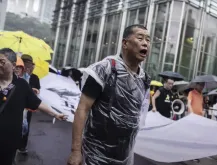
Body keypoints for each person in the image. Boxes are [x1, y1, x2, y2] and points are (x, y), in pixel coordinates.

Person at [67, 24, 151, 165]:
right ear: (125, 43)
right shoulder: (104, 70)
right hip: (95, 154)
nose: (145, 43)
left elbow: (138, 116)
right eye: (140, 38)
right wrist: (76, 151)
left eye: (148, 40)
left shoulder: (144, 78)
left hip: (124, 156)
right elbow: (82, 109)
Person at [0, 48, 66, 165]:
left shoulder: (22, 85)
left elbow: (38, 103)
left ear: (14, 65)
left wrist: (55, 114)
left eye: (2, 62)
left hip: (9, 141)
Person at [18, 54, 41, 154]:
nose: (27, 67)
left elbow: (37, 91)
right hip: (16, 106)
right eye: (25, 64)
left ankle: (22, 146)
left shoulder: (35, 78)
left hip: (27, 107)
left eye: (29, 65)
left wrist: (34, 91)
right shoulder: (16, 75)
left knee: (25, 126)